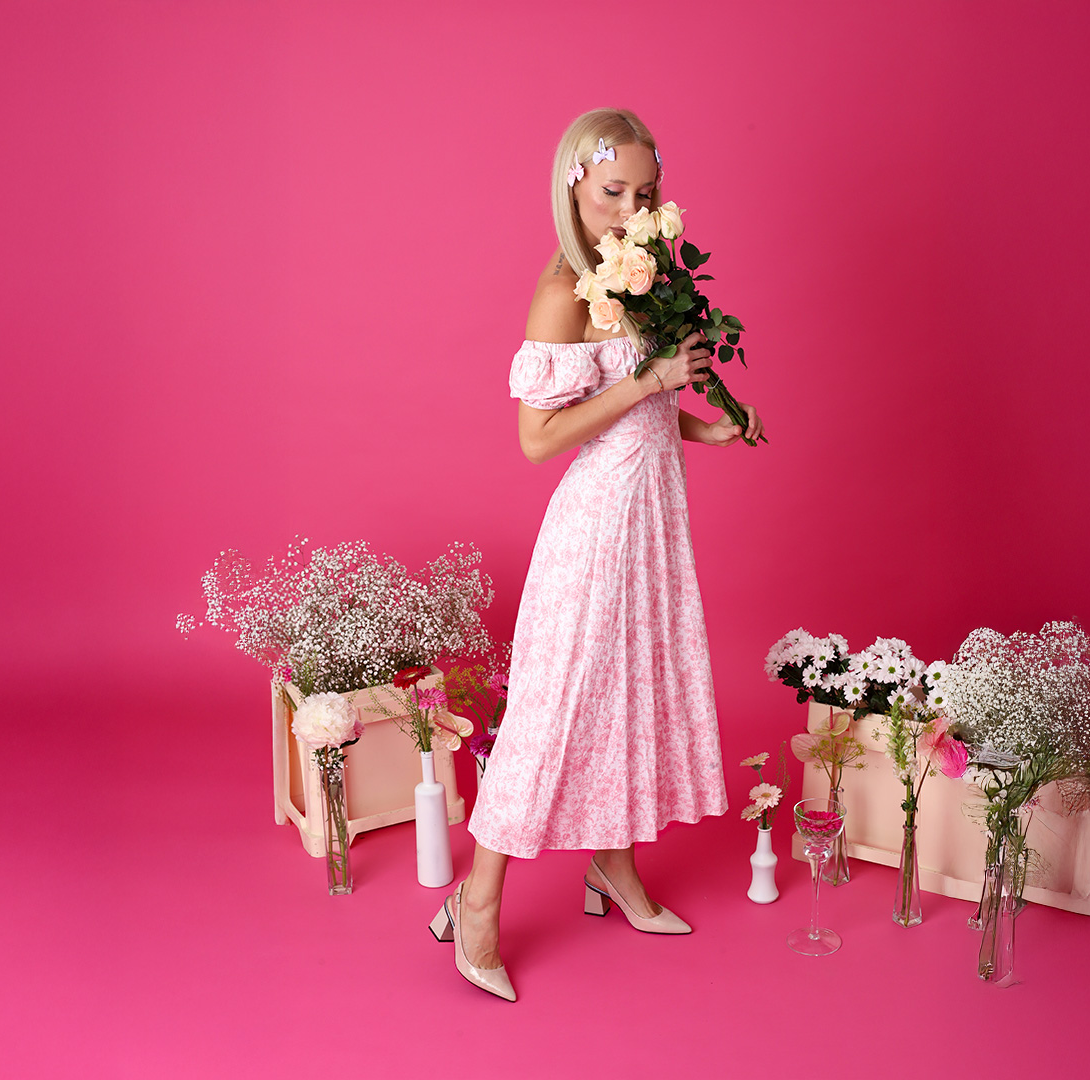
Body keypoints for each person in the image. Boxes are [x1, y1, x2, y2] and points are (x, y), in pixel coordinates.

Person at [427, 108, 764, 1001]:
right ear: (574, 185)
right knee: (554, 712)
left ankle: (613, 867)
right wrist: (653, 378)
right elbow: (539, 440)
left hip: (652, 520)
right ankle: (477, 904)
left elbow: (640, 412)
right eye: (614, 190)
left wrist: (705, 426)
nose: (631, 209)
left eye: (646, 193)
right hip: (597, 528)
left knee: (628, 694)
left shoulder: (643, 275)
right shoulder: (563, 293)